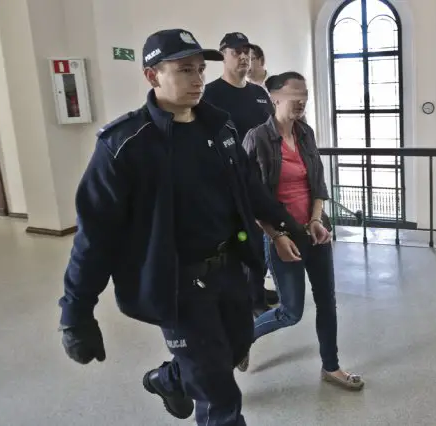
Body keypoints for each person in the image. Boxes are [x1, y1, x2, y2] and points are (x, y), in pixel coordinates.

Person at [57, 29, 307, 426]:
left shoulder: (221, 129)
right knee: (220, 393)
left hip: (231, 272)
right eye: (184, 70)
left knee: (235, 346)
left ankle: (170, 378)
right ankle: (193, 381)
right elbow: (95, 235)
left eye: (200, 70)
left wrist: (290, 228)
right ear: (152, 76)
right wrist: (76, 312)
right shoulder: (125, 145)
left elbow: (251, 191)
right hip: (177, 284)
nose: (198, 79)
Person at [240, 72, 365, 391]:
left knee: (327, 302)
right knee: (290, 312)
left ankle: (331, 367)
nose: (302, 101)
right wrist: (276, 236)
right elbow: (250, 198)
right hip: (283, 236)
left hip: (315, 233)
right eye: (295, 94)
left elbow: (318, 184)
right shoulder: (257, 138)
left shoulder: (305, 133)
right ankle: (241, 337)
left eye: (305, 95)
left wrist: (316, 220)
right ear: (274, 98)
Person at [202, 32, 277, 316]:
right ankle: (251, 299)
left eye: (247, 52)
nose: (243, 57)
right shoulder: (211, 95)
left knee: (265, 238)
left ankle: (257, 289)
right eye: (236, 52)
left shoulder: (259, 94)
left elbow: (272, 131)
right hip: (230, 182)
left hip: (263, 179)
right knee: (244, 240)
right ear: (223, 56)